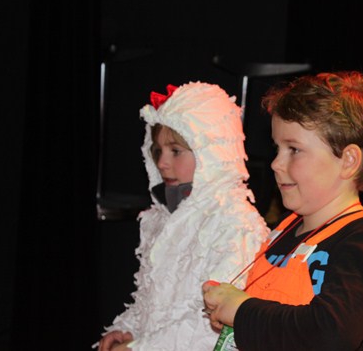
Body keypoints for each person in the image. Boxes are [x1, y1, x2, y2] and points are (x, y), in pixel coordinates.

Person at [202, 71, 363, 350]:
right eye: (278, 148)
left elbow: (331, 334)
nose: (276, 163)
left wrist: (242, 311)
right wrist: (227, 306)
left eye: (294, 150)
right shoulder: (285, 229)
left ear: (348, 161)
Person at [98, 82, 269, 351]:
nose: (162, 162)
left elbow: (211, 325)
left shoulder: (236, 225)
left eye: (175, 151)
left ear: (211, 152)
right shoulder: (164, 217)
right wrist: (129, 328)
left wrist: (139, 348)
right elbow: (150, 300)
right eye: (157, 150)